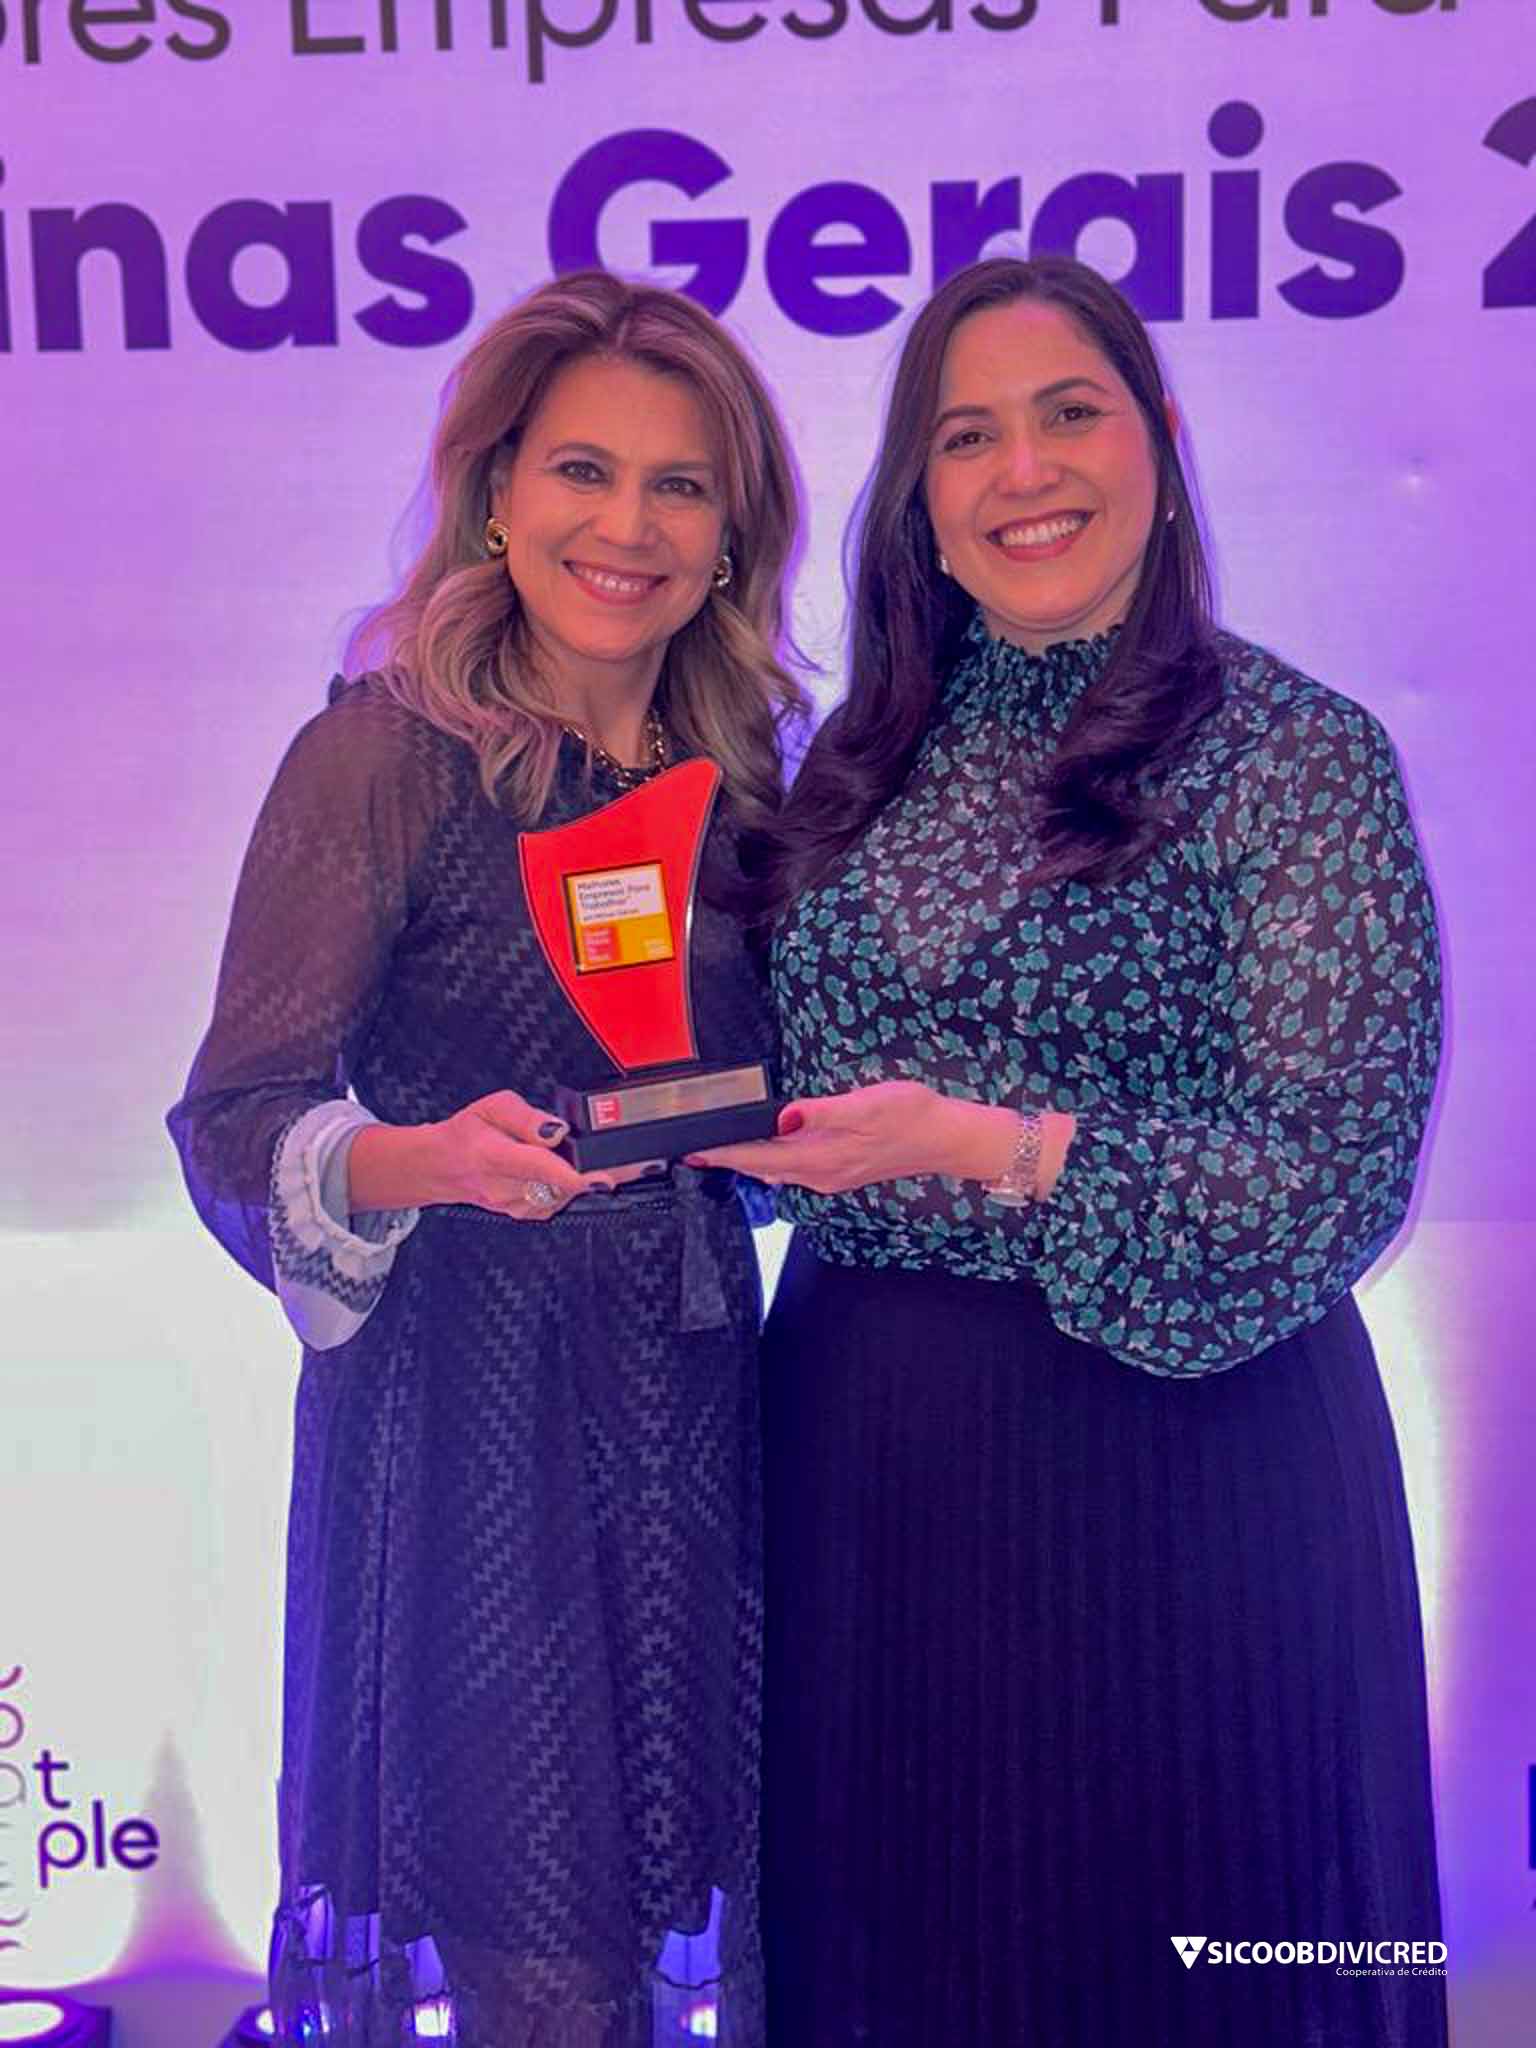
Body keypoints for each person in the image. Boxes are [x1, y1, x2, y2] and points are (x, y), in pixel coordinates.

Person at [694, 255, 1446, 2047]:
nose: (1022, 471)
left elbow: (1336, 1168)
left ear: (1162, 443)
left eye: (1070, 415)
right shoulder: (847, 767)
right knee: (899, 1967)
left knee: (1192, 1964)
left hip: (1187, 1481)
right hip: (869, 1469)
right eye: (967, 436)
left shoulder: (1296, 755)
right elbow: (764, 1088)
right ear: (920, 497)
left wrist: (998, 1149)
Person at [168, 269, 806, 2048]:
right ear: (497, 494)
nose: (627, 527)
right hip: (471, 1439)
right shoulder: (381, 760)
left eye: (681, 486)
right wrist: (415, 1162)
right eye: (583, 471)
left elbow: (766, 1109)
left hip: (711, 1423)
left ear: (733, 536)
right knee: (541, 1969)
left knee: (721, 1920)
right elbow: (232, 1118)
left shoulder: (754, 781)